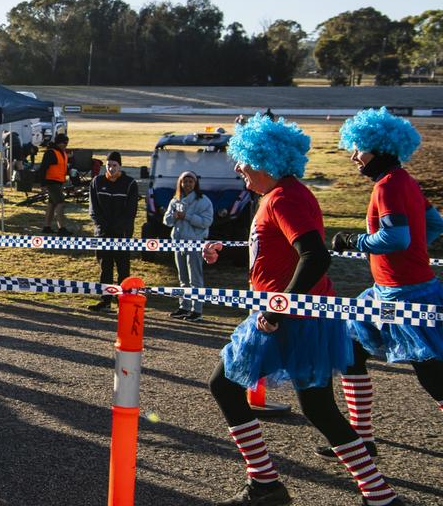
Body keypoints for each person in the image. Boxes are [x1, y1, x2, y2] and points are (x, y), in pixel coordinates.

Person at [203, 114, 400, 506]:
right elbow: (280, 252)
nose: (239, 167)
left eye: (244, 160)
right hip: (298, 312)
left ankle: (266, 485)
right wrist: (226, 251)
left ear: (267, 159)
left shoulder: (283, 197)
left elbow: (314, 256)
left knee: (224, 386)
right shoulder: (282, 194)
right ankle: (378, 495)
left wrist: (279, 309)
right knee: (319, 408)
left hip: (287, 316)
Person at [318, 108, 443, 461]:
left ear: (379, 147)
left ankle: (361, 439)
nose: (354, 156)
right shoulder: (406, 181)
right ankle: (360, 439)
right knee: (349, 346)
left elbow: (396, 237)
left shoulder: (387, 187)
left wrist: (355, 242)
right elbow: (434, 224)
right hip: (391, 290)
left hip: (406, 295)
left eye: (358, 149)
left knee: (434, 378)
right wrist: (415, 248)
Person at [86, 152, 140, 312]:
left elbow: (131, 211)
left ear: (120, 166)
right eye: (109, 165)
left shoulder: (130, 183)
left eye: (114, 165)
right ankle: (105, 300)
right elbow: (93, 209)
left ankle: (123, 301)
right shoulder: (97, 182)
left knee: (123, 268)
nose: (111, 168)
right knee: (105, 268)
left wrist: (117, 227)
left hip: (122, 234)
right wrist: (103, 226)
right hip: (102, 234)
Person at [162, 170, 213, 322]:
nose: (188, 184)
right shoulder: (175, 200)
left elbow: (206, 222)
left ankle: (196, 310)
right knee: (182, 277)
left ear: (195, 183)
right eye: (185, 181)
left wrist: (187, 217)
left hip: (194, 243)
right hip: (178, 243)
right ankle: (184, 306)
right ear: (180, 183)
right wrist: (174, 216)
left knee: (195, 278)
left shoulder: (204, 201)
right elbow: (166, 221)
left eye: (191, 181)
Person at [39, 133, 71, 235]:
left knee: (52, 204)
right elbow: (43, 168)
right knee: (60, 203)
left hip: (58, 182)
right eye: (63, 143)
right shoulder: (51, 153)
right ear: (58, 142)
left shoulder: (62, 152)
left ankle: (46, 227)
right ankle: (61, 228)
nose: (65, 145)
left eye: (67, 143)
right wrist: (43, 184)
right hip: (51, 182)